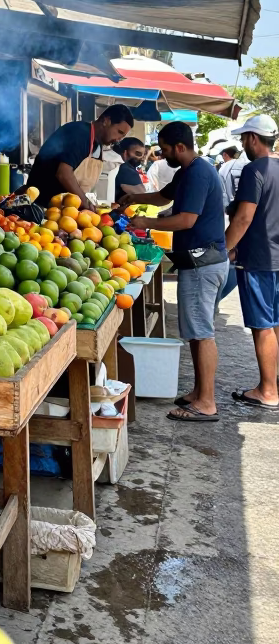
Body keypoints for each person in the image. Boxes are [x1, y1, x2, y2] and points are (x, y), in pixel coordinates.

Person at [129, 121, 228, 422]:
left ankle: (206, 402)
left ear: (181, 147)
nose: (163, 153)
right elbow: (164, 197)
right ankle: (199, 393)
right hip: (200, 262)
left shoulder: (198, 173)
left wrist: (147, 224)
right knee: (197, 333)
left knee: (202, 333)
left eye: (167, 148)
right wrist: (134, 199)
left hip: (203, 264)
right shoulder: (188, 171)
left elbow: (185, 220)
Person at [223, 115, 279, 408]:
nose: (243, 143)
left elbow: (244, 218)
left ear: (253, 139)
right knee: (276, 322)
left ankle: (268, 391)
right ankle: (275, 383)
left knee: (262, 326)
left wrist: (224, 250)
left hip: (260, 259)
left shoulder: (254, 170)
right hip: (276, 258)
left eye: (244, 138)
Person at [25, 104, 134, 211]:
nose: (118, 139)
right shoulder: (79, 134)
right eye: (119, 132)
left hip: (64, 208)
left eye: (122, 137)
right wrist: (86, 203)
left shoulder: (97, 143)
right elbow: (63, 173)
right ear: (106, 121)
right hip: (40, 206)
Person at [113, 137, 148, 203]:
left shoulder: (114, 165)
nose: (142, 159)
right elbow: (141, 195)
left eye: (143, 155)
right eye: (138, 154)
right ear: (125, 152)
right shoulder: (125, 169)